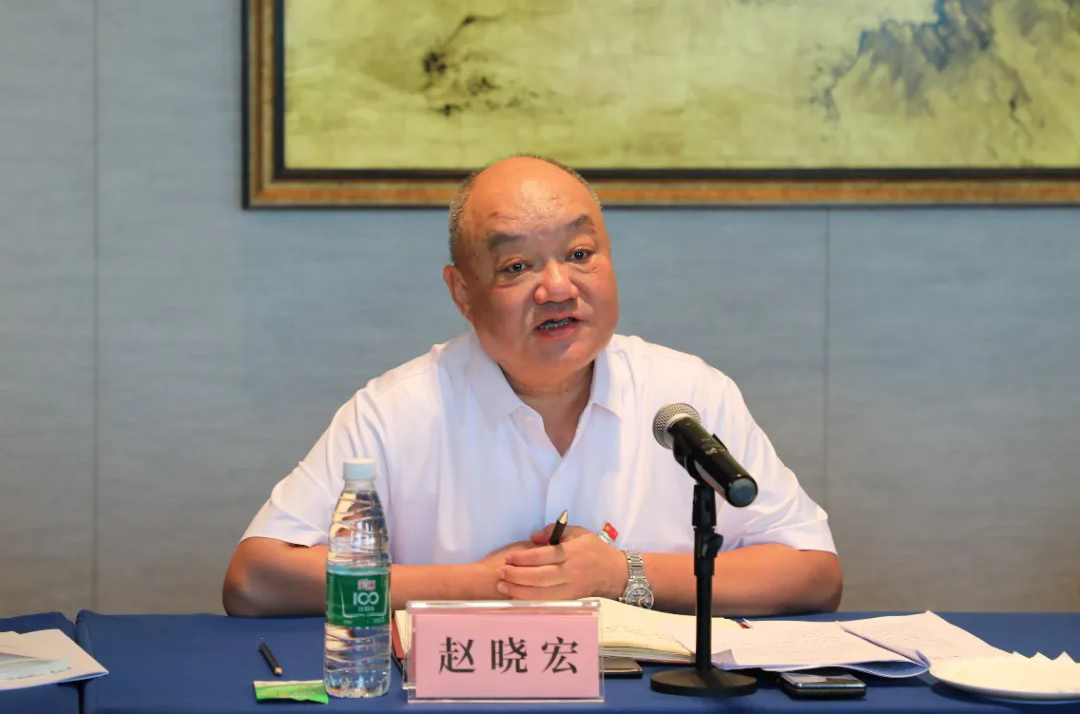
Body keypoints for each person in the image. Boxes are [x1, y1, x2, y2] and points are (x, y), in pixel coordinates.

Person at [223, 155, 842, 617]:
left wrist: (619, 574)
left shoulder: (685, 394)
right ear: (463, 293)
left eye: (580, 254)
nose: (558, 288)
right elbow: (256, 581)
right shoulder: (395, 410)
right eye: (516, 266)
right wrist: (482, 584)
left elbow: (813, 572)